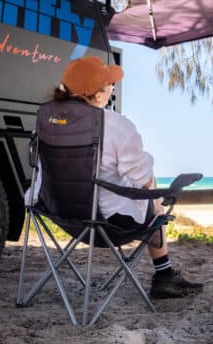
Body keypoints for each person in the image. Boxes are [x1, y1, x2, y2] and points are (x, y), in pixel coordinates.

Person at [27, 56, 203, 299]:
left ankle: (165, 274)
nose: (112, 88)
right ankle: (163, 274)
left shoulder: (45, 122)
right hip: (108, 224)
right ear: (98, 95)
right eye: (109, 84)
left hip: (58, 214)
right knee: (152, 189)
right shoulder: (116, 124)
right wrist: (158, 193)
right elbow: (142, 178)